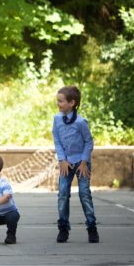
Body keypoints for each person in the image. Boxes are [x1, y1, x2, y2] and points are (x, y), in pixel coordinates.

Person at [53, 85, 98, 243]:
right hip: (66, 162)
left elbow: (89, 142)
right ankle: (63, 228)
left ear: (72, 103)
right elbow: (57, 141)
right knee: (63, 194)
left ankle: (92, 227)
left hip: (81, 163)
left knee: (84, 194)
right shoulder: (57, 119)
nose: (58, 104)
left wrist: (84, 161)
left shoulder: (81, 122)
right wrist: (62, 159)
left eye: (61, 101)